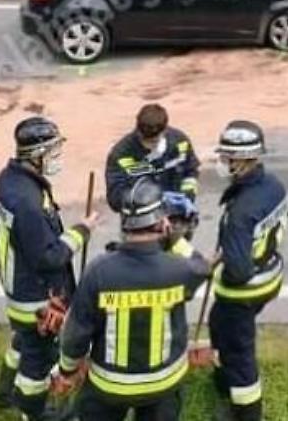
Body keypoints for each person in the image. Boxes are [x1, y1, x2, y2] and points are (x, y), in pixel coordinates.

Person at [56, 178, 212, 421]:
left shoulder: (98, 271)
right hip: (164, 385)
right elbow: (203, 267)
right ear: (162, 222)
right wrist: (175, 240)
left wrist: (67, 370)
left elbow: (76, 333)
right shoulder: (180, 270)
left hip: (110, 387)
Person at [0, 116, 100, 419]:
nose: (56, 159)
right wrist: (82, 231)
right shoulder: (27, 201)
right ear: (36, 155)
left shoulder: (9, 180)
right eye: (52, 153)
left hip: (20, 287)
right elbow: (49, 257)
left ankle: (4, 392)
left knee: (21, 341)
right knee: (37, 361)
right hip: (37, 299)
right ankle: (32, 410)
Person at [210, 120, 288, 421]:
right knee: (218, 322)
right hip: (270, 273)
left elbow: (238, 271)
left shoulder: (241, 212)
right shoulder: (273, 187)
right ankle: (221, 380)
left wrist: (222, 265)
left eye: (226, 159)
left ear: (243, 160)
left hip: (244, 289)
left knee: (238, 350)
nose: (222, 163)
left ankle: (245, 410)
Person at [105, 104, 201, 213]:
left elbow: (191, 172)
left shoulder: (180, 143)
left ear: (164, 131)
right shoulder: (121, 155)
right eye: (145, 140)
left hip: (177, 215)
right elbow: (115, 197)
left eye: (154, 141)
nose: (149, 144)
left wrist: (187, 196)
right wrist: (150, 200)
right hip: (140, 221)